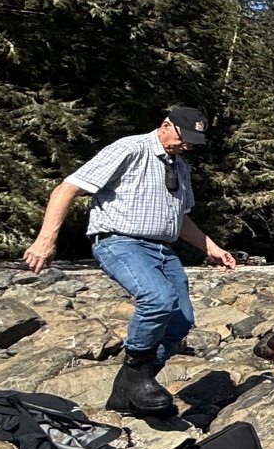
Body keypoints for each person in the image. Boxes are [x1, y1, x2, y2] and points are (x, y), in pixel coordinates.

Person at [23, 106, 236, 417]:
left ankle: (132, 388)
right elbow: (66, 189)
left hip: (162, 249)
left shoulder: (181, 167)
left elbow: (182, 218)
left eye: (193, 141)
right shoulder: (130, 149)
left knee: (180, 320)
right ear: (166, 125)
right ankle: (136, 378)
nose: (187, 145)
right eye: (184, 138)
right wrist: (45, 240)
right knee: (157, 299)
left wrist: (211, 248)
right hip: (120, 241)